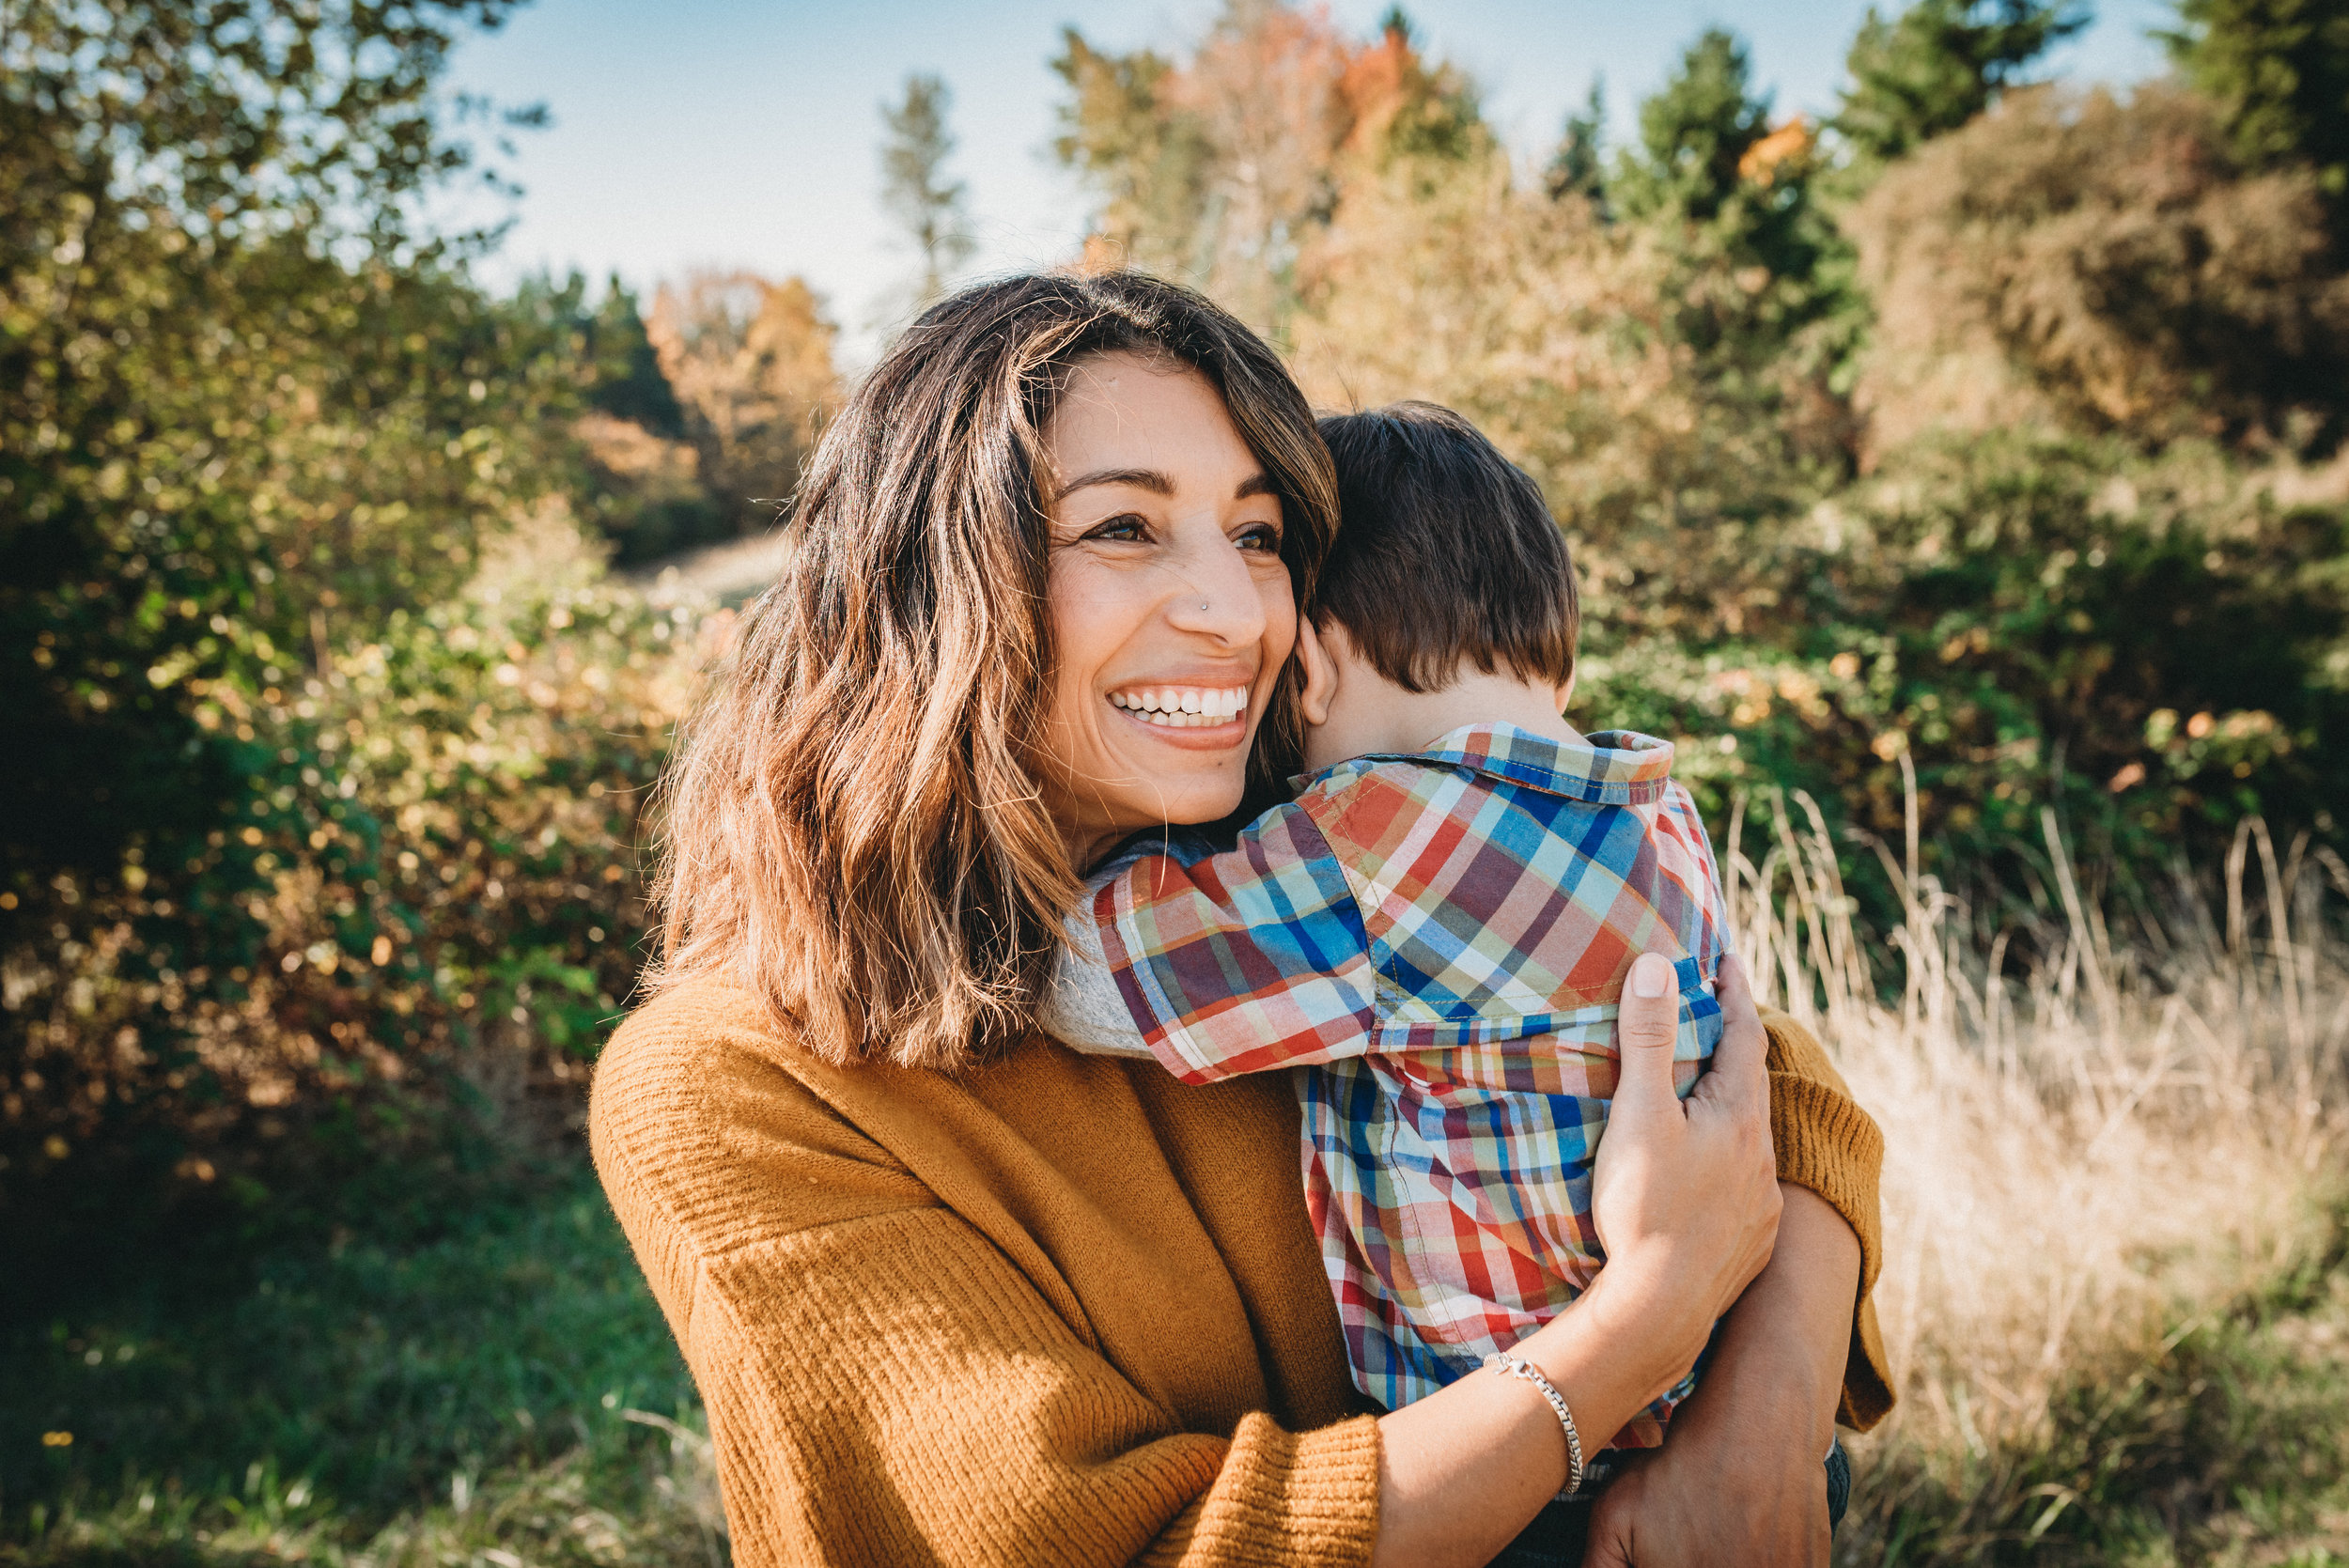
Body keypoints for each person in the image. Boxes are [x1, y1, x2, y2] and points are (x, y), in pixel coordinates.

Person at [591, 271, 1891, 1568]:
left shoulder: (1305, 879)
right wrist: (1637, 1333)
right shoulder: (731, 1083)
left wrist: (1761, 1425)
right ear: (931, 589)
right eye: (1122, 530)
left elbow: (1764, 1080)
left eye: (1260, 536)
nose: (1234, 613)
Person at [1044, 400, 1750, 1468]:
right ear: (1554, 663)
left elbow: (1091, 981)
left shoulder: (1377, 841)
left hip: (1531, 1471)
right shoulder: (1660, 815)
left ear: (1314, 667)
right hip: (1699, 1413)